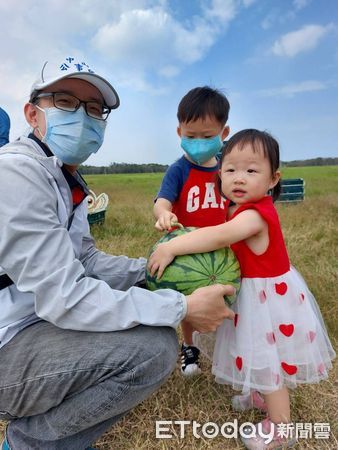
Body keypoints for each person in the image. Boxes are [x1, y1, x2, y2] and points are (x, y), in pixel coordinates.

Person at [0, 56, 236, 450]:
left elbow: (86, 261)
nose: (83, 116)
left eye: (94, 108)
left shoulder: (61, 175)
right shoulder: (17, 175)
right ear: (32, 113)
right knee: (151, 351)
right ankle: (28, 443)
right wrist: (180, 305)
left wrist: (152, 270)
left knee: (149, 337)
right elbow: (67, 297)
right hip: (9, 340)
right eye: (65, 101)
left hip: (31, 324)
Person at [149, 129, 336, 449]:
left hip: (267, 299)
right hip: (252, 293)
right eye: (231, 170)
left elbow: (219, 237)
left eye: (251, 171)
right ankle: (257, 393)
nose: (239, 178)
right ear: (219, 174)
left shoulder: (255, 214)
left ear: (273, 179)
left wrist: (173, 247)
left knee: (268, 359)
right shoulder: (236, 208)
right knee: (250, 349)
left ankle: (281, 429)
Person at [154, 86, 230, 376]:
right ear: (179, 132)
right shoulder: (178, 170)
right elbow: (162, 201)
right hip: (186, 250)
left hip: (223, 247)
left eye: (208, 136)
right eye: (191, 136)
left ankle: (227, 351)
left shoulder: (227, 169)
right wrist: (164, 214)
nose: (199, 142)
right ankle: (189, 348)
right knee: (190, 299)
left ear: (224, 133)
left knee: (225, 296)